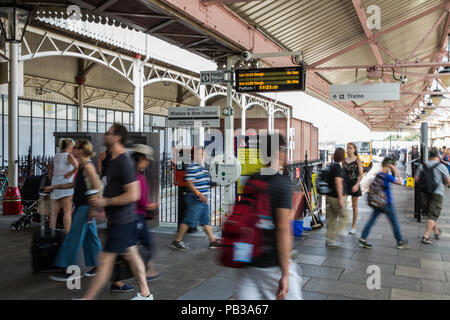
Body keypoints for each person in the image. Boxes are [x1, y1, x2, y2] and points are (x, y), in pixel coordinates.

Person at [82, 123, 154, 300]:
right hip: (119, 218)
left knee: (106, 262)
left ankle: (87, 298)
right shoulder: (110, 160)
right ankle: (146, 294)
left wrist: (106, 201)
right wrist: (102, 208)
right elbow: (110, 187)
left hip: (122, 220)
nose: (105, 135)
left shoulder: (123, 161)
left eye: (108, 133)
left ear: (116, 137)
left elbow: (134, 193)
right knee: (131, 253)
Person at [236, 134, 302, 300]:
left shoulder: (251, 179)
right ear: (279, 152)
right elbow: (282, 229)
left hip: (248, 262)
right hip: (272, 265)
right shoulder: (281, 183)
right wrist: (285, 274)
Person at [45, 140, 103, 281]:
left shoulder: (88, 167)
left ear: (81, 151)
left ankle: (69, 269)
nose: (73, 149)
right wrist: (54, 187)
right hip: (85, 207)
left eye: (76, 148)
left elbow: (96, 187)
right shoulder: (83, 166)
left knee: (73, 237)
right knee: (91, 238)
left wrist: (93, 209)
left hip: (85, 207)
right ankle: (100, 266)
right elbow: (74, 184)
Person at [111, 144, 162, 292]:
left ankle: (121, 281)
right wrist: (151, 205)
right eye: (147, 160)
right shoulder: (135, 176)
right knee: (140, 247)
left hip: (132, 217)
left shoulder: (134, 174)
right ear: (141, 158)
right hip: (134, 217)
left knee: (127, 250)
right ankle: (142, 276)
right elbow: (140, 200)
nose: (147, 163)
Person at [171, 146, 221, 250]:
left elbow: (206, 183)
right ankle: (177, 241)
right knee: (187, 220)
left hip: (203, 201)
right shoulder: (192, 166)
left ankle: (212, 241)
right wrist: (199, 194)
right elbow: (189, 182)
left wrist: (216, 183)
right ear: (194, 155)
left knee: (205, 221)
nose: (201, 156)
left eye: (203, 154)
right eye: (199, 154)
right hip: (195, 200)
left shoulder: (202, 167)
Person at [359, 157, 410, 249]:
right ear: (389, 165)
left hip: (377, 203)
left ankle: (363, 239)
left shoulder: (378, 174)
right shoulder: (387, 176)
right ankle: (400, 241)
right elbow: (402, 182)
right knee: (394, 223)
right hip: (386, 204)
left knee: (371, 221)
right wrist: (395, 169)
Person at [415, 147, 450, 245]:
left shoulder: (423, 165)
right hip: (437, 193)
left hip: (425, 193)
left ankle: (436, 231)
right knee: (433, 215)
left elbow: (416, 179)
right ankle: (426, 236)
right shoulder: (441, 166)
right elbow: (448, 181)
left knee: (430, 214)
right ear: (438, 156)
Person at [48, 138, 78, 233]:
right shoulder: (69, 156)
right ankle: (68, 233)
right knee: (67, 211)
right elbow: (77, 166)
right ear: (69, 146)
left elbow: (50, 170)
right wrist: (70, 173)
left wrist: (51, 180)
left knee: (53, 213)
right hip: (65, 185)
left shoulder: (56, 156)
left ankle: (52, 234)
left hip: (55, 183)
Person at [325, 148, 349, 248]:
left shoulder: (331, 165)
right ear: (342, 156)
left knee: (332, 218)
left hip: (329, 196)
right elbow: (338, 182)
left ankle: (330, 240)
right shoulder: (337, 167)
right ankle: (339, 232)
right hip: (336, 197)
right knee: (345, 216)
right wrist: (340, 198)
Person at [343, 143, 364, 235]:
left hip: (354, 184)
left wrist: (357, 184)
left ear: (354, 150)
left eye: (350, 148)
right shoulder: (344, 160)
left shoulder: (358, 160)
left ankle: (353, 226)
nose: (348, 150)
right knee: (342, 205)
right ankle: (342, 226)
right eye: (347, 148)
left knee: (354, 206)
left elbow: (361, 174)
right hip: (345, 185)